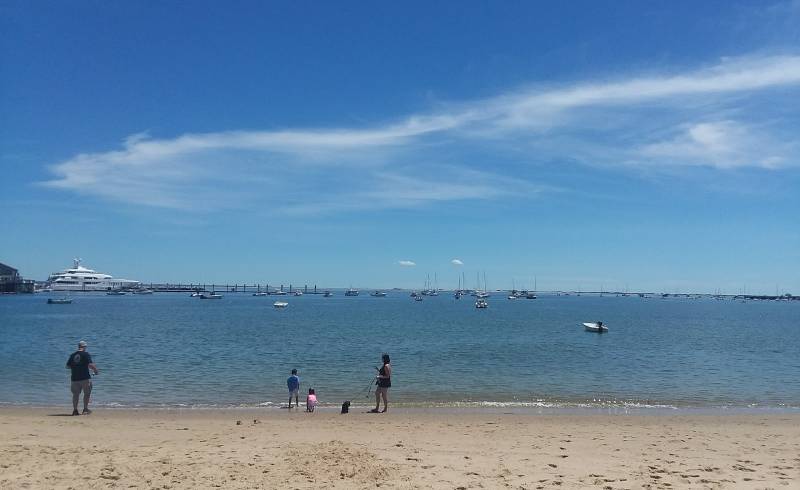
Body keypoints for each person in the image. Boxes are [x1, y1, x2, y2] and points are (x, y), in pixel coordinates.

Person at [65, 340, 99, 416]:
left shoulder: (72, 355)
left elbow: (67, 366)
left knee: (75, 395)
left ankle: (75, 410)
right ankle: (85, 409)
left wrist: (76, 367)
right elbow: (90, 364)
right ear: (84, 347)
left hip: (74, 378)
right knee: (87, 394)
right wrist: (96, 370)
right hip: (85, 378)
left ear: (78, 346)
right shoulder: (85, 354)